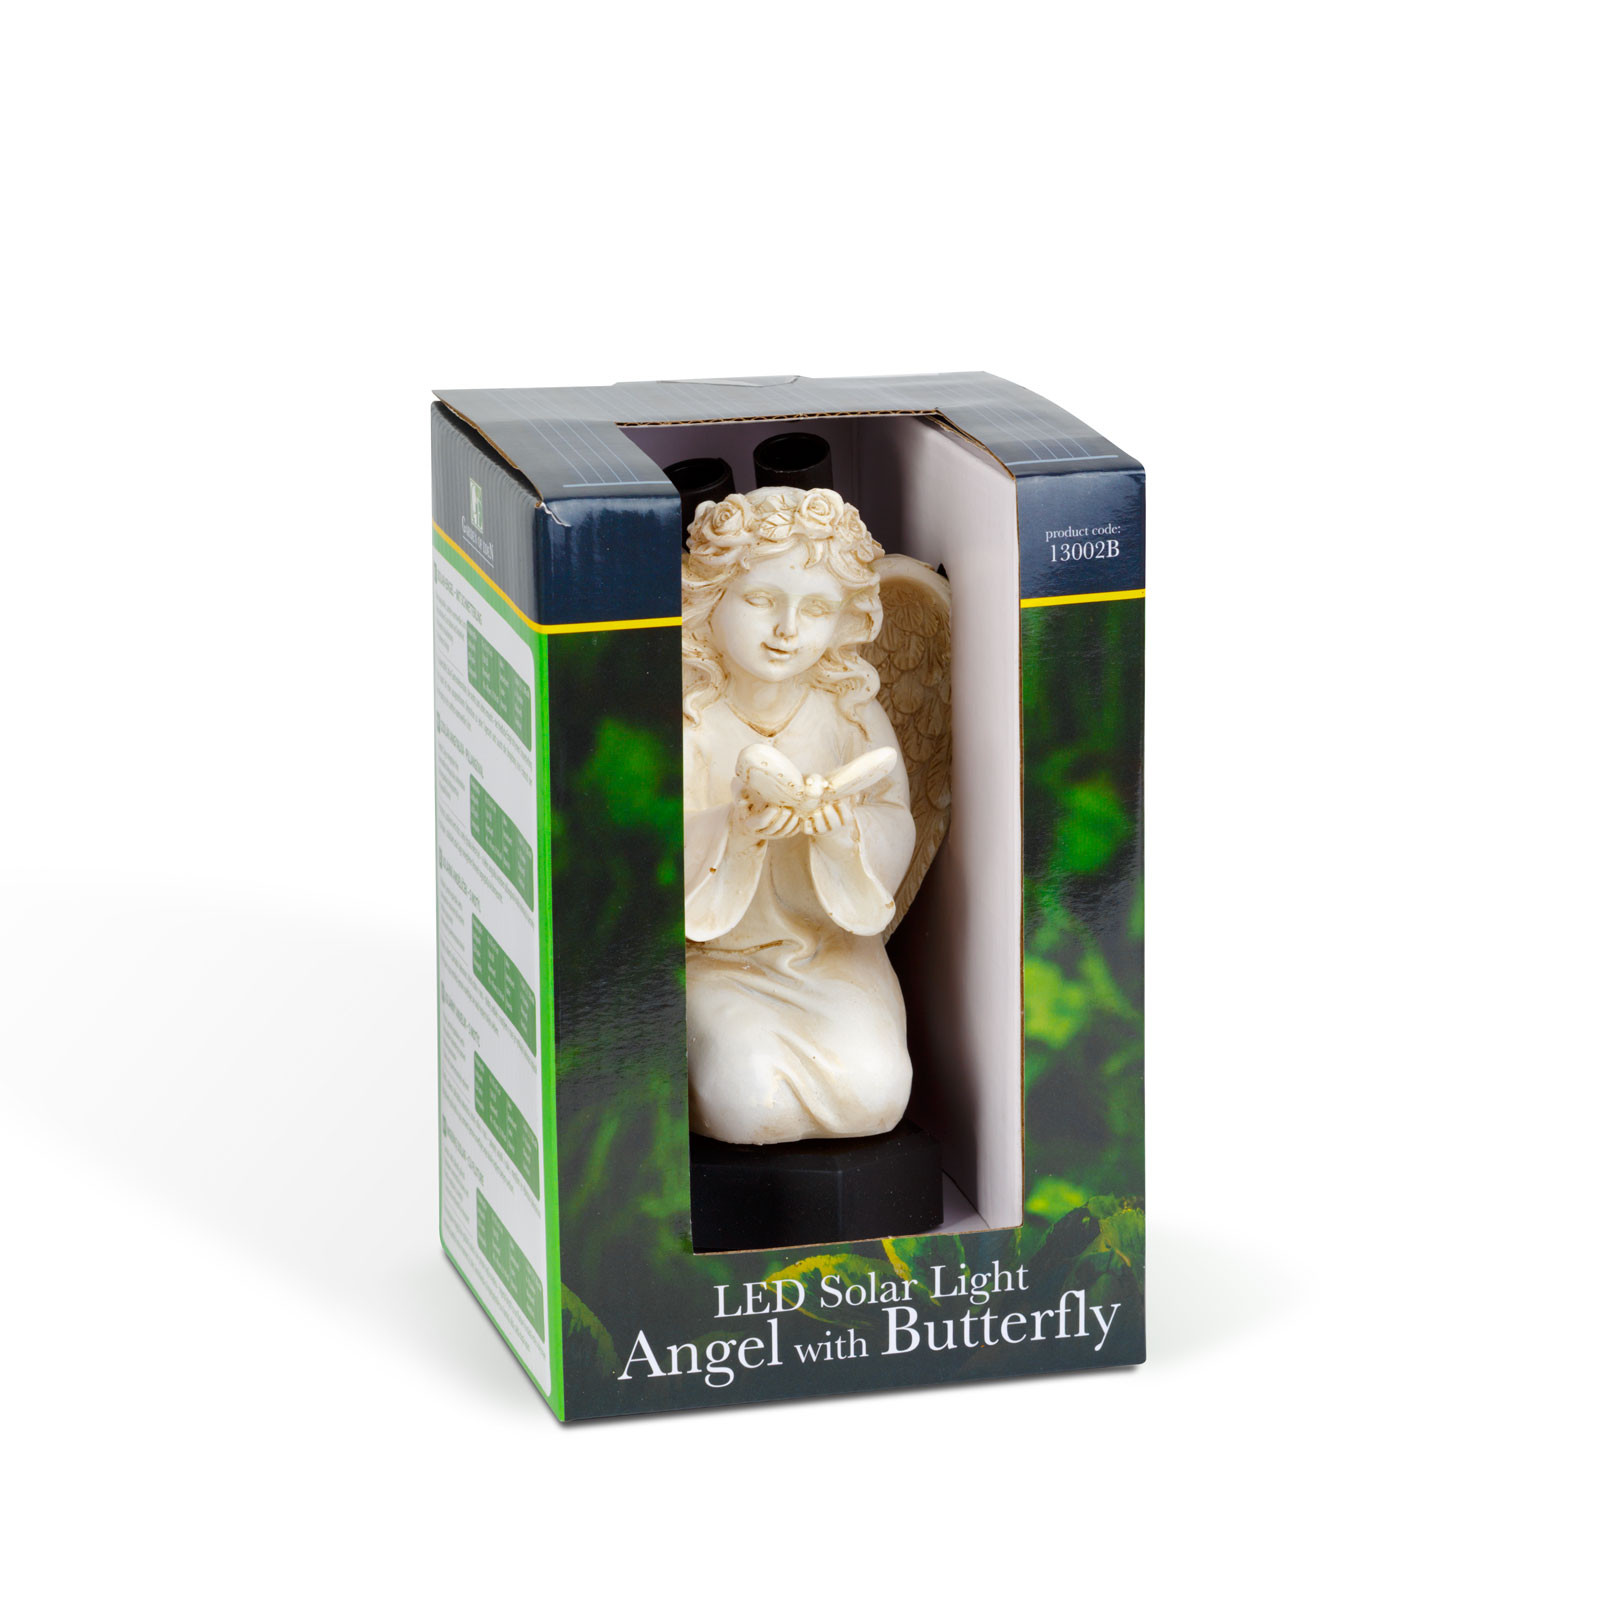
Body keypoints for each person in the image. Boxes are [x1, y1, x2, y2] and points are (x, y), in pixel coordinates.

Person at [681, 486, 916, 1145]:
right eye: (761, 599)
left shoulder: (850, 712)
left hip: (830, 953)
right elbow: (639, 850)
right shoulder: (687, 714)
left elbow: (896, 818)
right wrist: (735, 832)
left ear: (842, 621)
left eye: (815, 609)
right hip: (715, 961)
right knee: (744, 1100)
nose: (787, 630)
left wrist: (844, 836)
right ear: (712, 597)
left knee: (877, 1096)